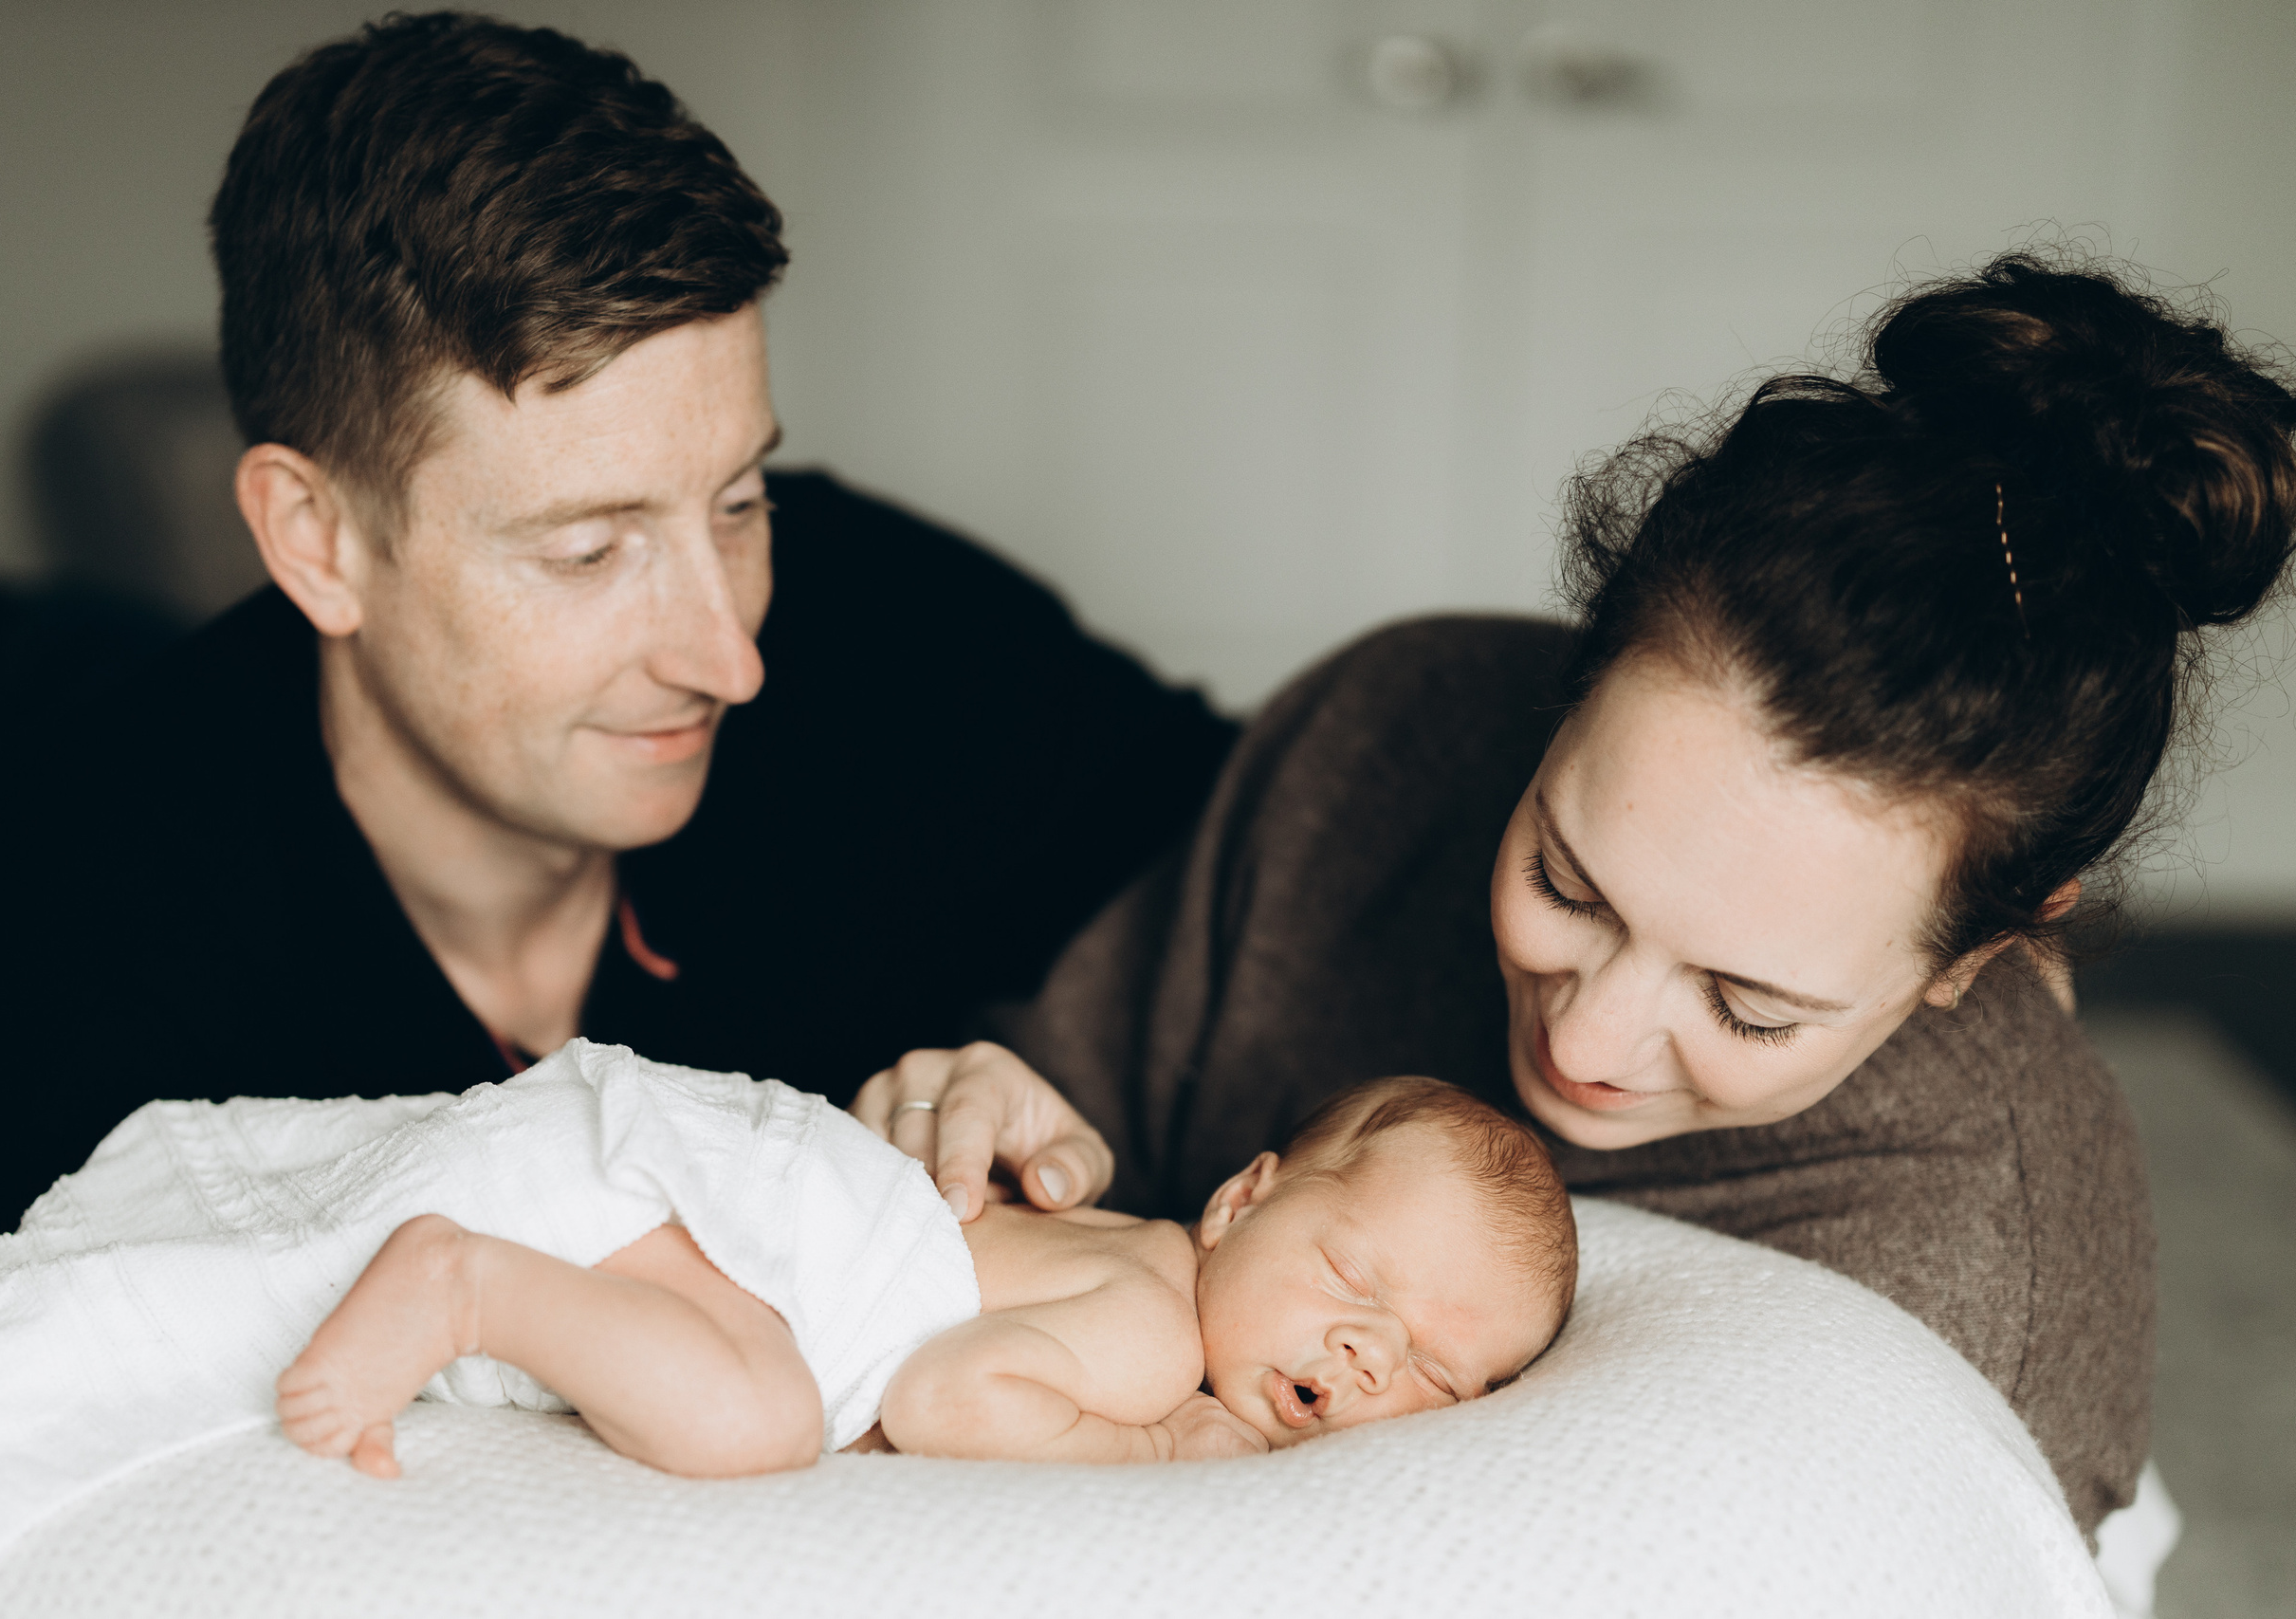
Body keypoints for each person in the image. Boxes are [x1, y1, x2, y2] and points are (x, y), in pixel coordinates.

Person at [855, 252, 2296, 1536]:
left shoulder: (1981, 1291)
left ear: (1985, 944)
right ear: (1570, 688)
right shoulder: (1387, 739)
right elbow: (1090, 1175)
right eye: (1564, 880)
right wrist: (986, 1146)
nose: (1585, 1046)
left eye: (1748, 1004)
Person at [0, 14, 1230, 1283]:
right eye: (589, 549)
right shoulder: (41, 955)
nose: (729, 659)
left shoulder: (876, 619)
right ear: (315, 538)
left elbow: (1280, 853)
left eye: (740, 500)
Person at [276, 1074, 1576, 1476]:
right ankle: (468, 1287)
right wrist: (1156, 1455)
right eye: (1355, 1278)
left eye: (1433, 1372)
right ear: (1240, 1202)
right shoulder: (1155, 1333)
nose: (1366, 1352)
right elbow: (952, 1397)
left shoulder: (1128, 1250)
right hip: (749, 1232)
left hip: (719, 1185)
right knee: (758, 1417)